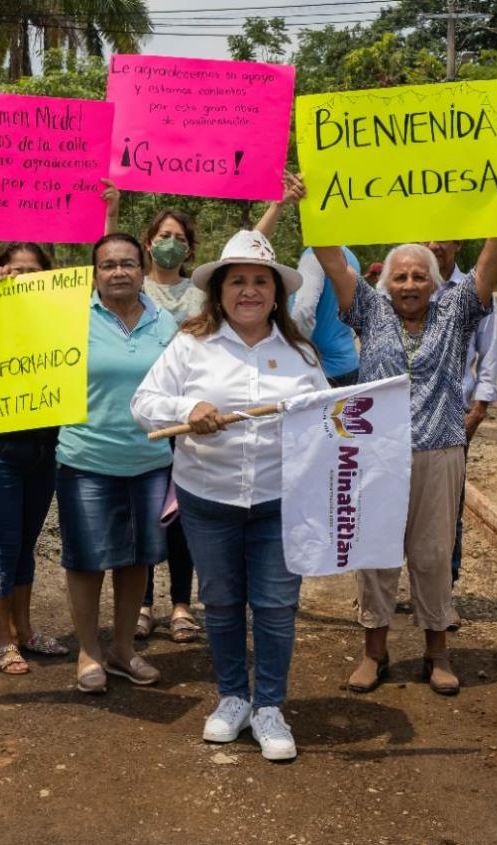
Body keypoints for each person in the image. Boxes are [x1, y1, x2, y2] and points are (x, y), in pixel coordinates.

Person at [313, 173, 497, 696]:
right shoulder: (368, 308)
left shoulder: (457, 310)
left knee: (432, 554)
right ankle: (375, 652)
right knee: (377, 553)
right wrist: (313, 203)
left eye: (419, 276)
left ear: (434, 282)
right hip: (376, 453)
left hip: (440, 450)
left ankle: (437, 652)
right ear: (388, 284)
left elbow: (491, 262)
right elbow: (332, 260)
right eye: (401, 277)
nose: (409, 285)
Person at [132, 230, 328, 761]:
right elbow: (144, 402)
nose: (248, 291)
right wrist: (187, 411)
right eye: (237, 281)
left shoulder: (301, 354)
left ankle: (268, 705)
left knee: (275, 605)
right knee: (219, 604)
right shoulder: (189, 344)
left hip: (278, 503)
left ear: (276, 292)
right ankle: (232, 697)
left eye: (259, 281)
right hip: (208, 499)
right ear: (219, 291)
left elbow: (327, 422)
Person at [55, 232, 179, 693]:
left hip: (150, 459)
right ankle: (89, 651)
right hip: (86, 458)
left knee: (137, 559)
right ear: (94, 275)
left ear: (143, 270)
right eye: (108, 265)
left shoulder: (167, 322)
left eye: (128, 263)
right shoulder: (69, 319)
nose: (119, 272)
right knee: (87, 560)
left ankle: (123, 649)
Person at [103, 191, 201, 644]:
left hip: (185, 422)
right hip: (138, 421)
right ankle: (141, 605)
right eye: (163, 236)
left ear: (190, 248)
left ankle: (181, 603)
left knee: (177, 518)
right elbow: (106, 261)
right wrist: (111, 210)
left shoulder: (202, 292)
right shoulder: (136, 290)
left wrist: (278, 206)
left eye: (179, 238)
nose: (170, 243)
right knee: (139, 518)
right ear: (147, 243)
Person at [0, 241, 69, 675]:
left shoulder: (58, 318)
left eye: (34, 271)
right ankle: (1, 640)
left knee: (26, 546)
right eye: (17, 269)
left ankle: (25, 631)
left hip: (44, 447)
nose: (25, 276)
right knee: (3, 544)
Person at [428, 239, 497, 618]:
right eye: (426, 233)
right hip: (400, 423)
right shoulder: (399, 283)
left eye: (443, 234)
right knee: (389, 503)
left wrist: (479, 409)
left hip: (453, 419)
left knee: (447, 510)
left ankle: (443, 593)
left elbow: (489, 352)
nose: (434, 244)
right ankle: (382, 591)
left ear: (458, 241)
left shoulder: (475, 289)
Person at [256, 172, 361, 387]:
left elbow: (302, 310)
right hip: (349, 364)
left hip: (322, 370)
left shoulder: (313, 258)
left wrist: (291, 355)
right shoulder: (349, 257)